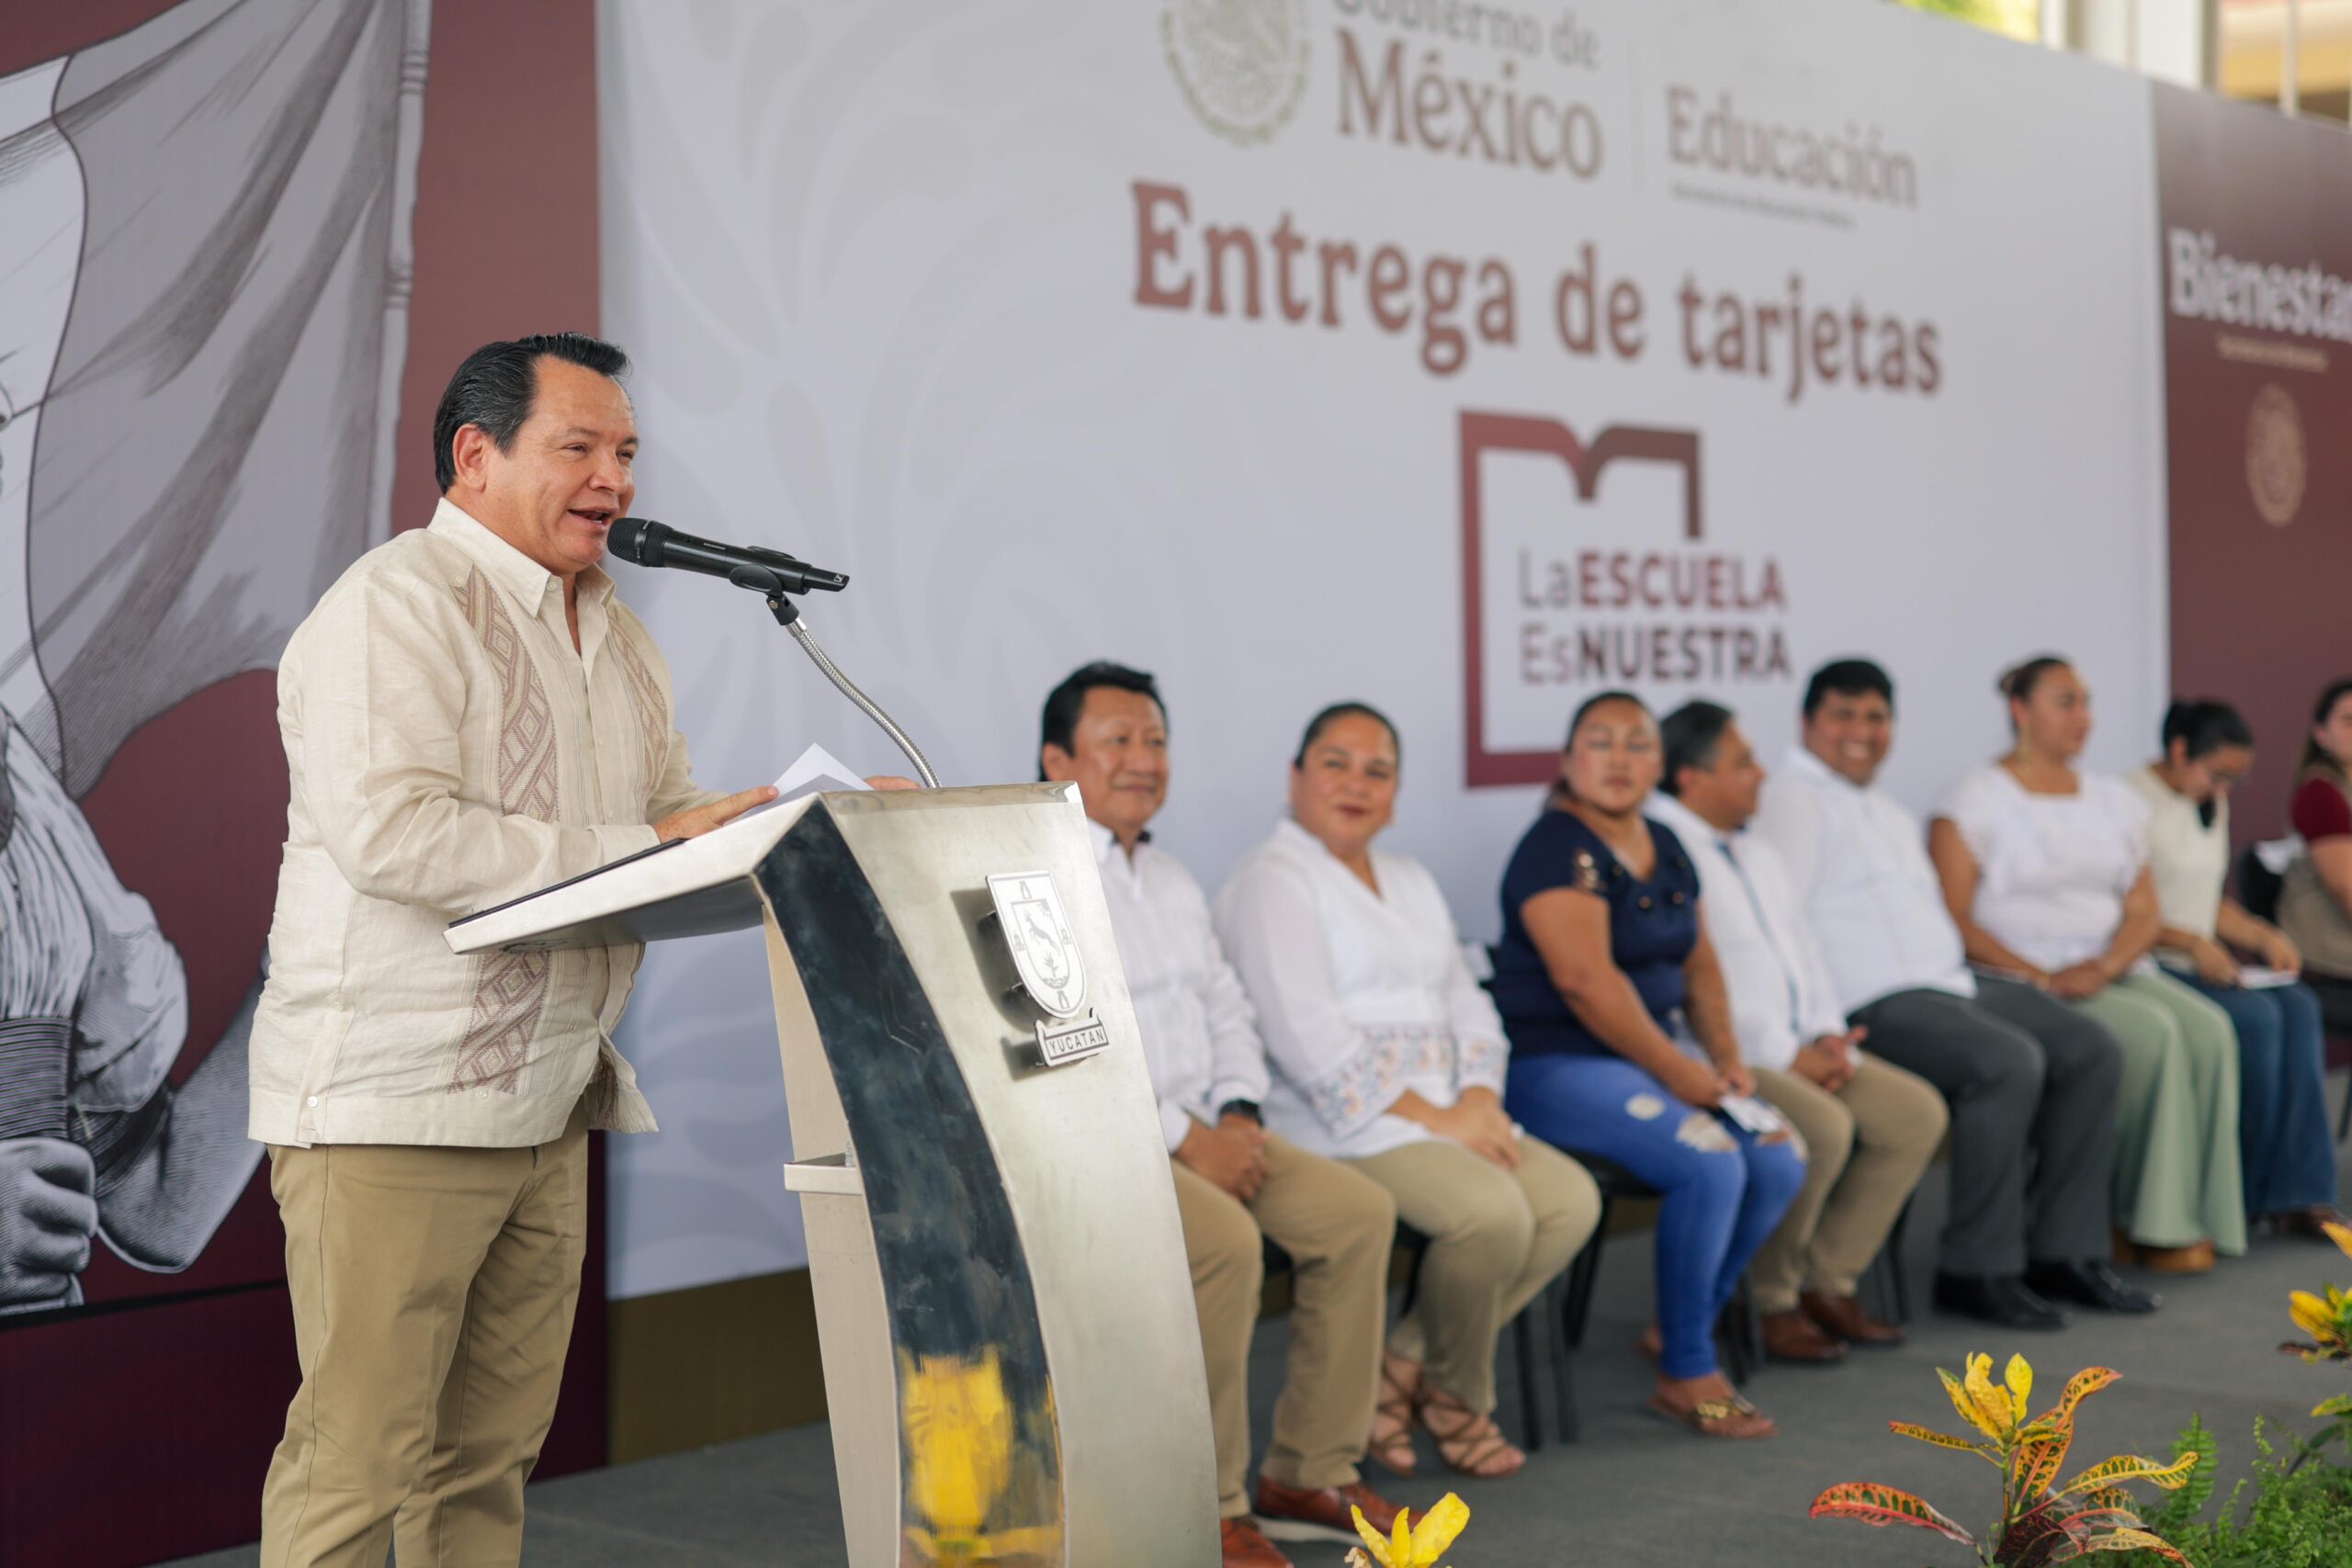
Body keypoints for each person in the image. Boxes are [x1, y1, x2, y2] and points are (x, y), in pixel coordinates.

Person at [249, 334, 812, 1568]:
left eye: (625, 453)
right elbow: (393, 832)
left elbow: (665, 820)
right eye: (580, 447)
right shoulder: (389, 607)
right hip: (394, 1105)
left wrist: (787, 827)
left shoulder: (618, 633)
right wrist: (652, 835)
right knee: (357, 1459)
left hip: (548, 1097)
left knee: (486, 1459)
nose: (614, 478)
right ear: (476, 455)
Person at [1038, 663, 1404, 1568]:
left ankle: (1308, 1470)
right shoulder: (1035, 879)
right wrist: (1187, 1137)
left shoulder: (1167, 877)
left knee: (1358, 1215)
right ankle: (1205, 1506)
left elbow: (1226, 1005)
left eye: (1154, 740)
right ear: (1057, 761)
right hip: (1112, 1142)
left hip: (1212, 1126)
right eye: (1115, 740)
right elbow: (1069, 1038)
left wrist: (1237, 1112)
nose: (1141, 759)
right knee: (1225, 1246)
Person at [1215, 703, 1600, 1480]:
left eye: (1378, 769)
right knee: (1490, 1214)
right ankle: (1460, 1395)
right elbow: (1306, 1035)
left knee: (1570, 1203)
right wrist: (1442, 1120)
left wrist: (1482, 1098)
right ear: (1296, 777)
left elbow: (1467, 999)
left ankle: (1402, 1371)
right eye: (1336, 763)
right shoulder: (1271, 880)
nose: (1357, 783)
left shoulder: (1412, 878)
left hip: (1454, 1112)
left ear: (1396, 791)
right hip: (1341, 1122)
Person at [1751, 659, 2150, 1328]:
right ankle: (1977, 1266)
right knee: (2006, 1061)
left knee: (2089, 1047)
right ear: (1807, 723)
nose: (1861, 731)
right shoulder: (1790, 798)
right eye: (1843, 715)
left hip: (1949, 982)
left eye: (1875, 716)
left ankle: (2064, 1250)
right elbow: (1780, 920)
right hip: (1870, 997)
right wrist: (1813, 1021)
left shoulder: (1883, 805)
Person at [1487, 690, 1807, 1440]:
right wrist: (1679, 1070)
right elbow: (1587, 984)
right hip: (1556, 1064)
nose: (1620, 760)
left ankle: (1678, 1322)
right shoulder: (1553, 846)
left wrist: (1725, 1060)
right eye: (1600, 742)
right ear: (1569, 761)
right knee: (1713, 1160)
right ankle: (1688, 1369)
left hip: (1653, 1059)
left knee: (1780, 1153)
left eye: (1637, 744)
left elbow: (1699, 966)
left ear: (1660, 763)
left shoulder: (1665, 840)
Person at [1649, 702, 1948, 1364]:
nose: (1761, 774)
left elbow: (1803, 950)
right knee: (1824, 1127)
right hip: (1727, 1057)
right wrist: (1788, 1055)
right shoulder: (1664, 849)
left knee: (1914, 1115)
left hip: (1804, 1043)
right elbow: (1696, 986)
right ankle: (1771, 1296)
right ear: (1690, 778)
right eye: (1742, 762)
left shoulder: (1755, 847)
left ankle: (1827, 1278)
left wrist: (1829, 1035)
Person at [1928, 656, 2245, 1274]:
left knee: (2210, 1030)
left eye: (2087, 702)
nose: (2083, 718)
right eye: (2065, 701)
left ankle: (2198, 1211)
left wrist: (2107, 964)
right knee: (2154, 1037)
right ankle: (2145, 1220)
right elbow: (1956, 918)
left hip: (2107, 966)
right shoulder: (1974, 799)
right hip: (2021, 976)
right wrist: (2045, 976)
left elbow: (2143, 907)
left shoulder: (2110, 798)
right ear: (2020, 710)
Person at [2128, 699, 2339, 1238]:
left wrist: (2262, 935)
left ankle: (2300, 1193)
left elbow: (2206, 900)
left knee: (2297, 1006)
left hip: (2202, 957)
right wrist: (2191, 943)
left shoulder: (2209, 803)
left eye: (2235, 781)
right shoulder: (2129, 803)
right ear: (2178, 751)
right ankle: (2241, 1193)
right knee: (2258, 1022)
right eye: (2218, 775)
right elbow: (2121, 911)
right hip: (2152, 962)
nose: (2224, 791)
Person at [2280, 677, 2352, 1037]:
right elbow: (2345, 889)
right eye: (2349, 720)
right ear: (2321, 735)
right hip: (2327, 960)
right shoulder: (2321, 793)